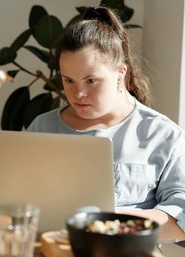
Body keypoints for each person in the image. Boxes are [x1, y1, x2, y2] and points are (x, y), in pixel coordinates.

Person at [27, 6, 185, 241]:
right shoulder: (42, 127)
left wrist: (109, 221)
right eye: (68, 80)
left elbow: (180, 220)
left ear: (120, 74)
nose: (78, 93)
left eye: (91, 80)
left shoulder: (163, 135)